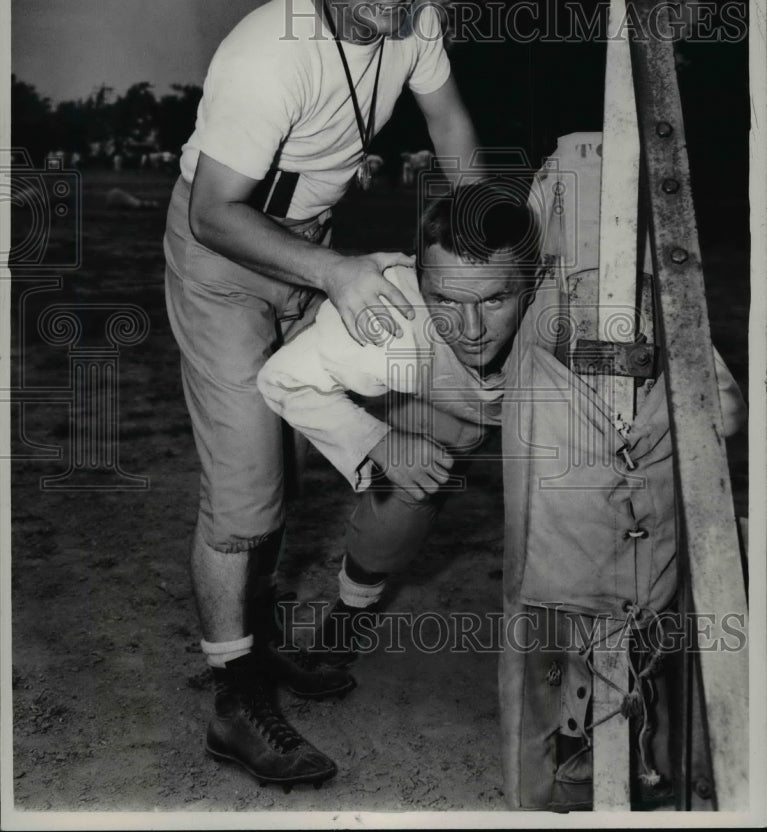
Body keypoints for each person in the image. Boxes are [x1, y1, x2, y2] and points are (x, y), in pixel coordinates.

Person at [163, 0, 480, 790]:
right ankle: (235, 698)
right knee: (247, 492)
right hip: (226, 258)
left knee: (308, 463)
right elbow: (215, 213)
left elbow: (453, 131)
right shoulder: (268, 51)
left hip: (312, 250)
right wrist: (334, 272)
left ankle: (278, 638)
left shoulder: (416, 20)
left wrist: (483, 246)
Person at [257, 180, 748, 664]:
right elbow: (281, 379)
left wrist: (637, 380)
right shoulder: (391, 316)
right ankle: (352, 609)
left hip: (535, 401)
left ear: (531, 282)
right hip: (436, 405)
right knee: (403, 499)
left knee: (588, 484)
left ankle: (600, 628)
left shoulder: (572, 302)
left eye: (494, 299)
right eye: (446, 300)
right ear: (418, 278)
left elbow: (722, 411)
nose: (471, 331)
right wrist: (378, 441)